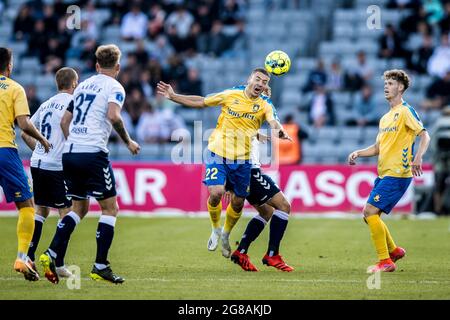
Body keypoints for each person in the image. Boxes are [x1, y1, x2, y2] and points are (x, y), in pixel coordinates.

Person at [157, 68, 291, 258]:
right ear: (249, 79)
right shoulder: (231, 94)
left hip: (243, 160)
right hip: (217, 154)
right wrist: (173, 96)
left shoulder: (265, 104)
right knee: (217, 193)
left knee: (237, 202)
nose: (260, 84)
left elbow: (273, 122)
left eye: (264, 82)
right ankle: (215, 228)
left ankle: (226, 234)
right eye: (258, 79)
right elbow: (202, 101)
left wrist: (278, 130)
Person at [39, 45, 141, 284]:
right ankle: (100, 265)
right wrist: (128, 142)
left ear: (97, 65)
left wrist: (74, 141)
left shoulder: (82, 85)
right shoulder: (115, 86)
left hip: (71, 152)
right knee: (110, 208)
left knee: (79, 208)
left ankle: (51, 253)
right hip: (93, 153)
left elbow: (66, 120)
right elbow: (114, 116)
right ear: (117, 67)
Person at [348, 69, 430, 272]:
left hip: (399, 172)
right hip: (385, 173)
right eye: (385, 83)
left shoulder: (405, 111)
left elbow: (424, 135)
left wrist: (418, 157)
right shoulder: (385, 118)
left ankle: (385, 261)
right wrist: (359, 152)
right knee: (369, 215)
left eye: (391, 83)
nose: (386, 86)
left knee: (369, 211)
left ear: (401, 87)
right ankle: (393, 251)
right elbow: (377, 148)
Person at [21, 67, 79, 280]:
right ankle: (59, 262)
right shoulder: (71, 104)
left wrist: (38, 147)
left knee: (41, 210)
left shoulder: (46, 103)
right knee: (68, 211)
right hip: (56, 166)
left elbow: (25, 129)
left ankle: (29, 257)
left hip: (37, 163)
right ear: (73, 84)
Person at [0, 47, 51, 281]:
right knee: (27, 205)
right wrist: (41, 139)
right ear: (9, 65)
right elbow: (24, 123)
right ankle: (22, 256)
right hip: (4, 152)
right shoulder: (14, 88)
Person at [229, 133, 294, 272]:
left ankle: (241, 251)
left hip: (246, 171)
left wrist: (256, 135)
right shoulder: (243, 115)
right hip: (250, 171)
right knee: (283, 206)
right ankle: (272, 254)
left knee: (266, 211)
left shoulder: (239, 118)